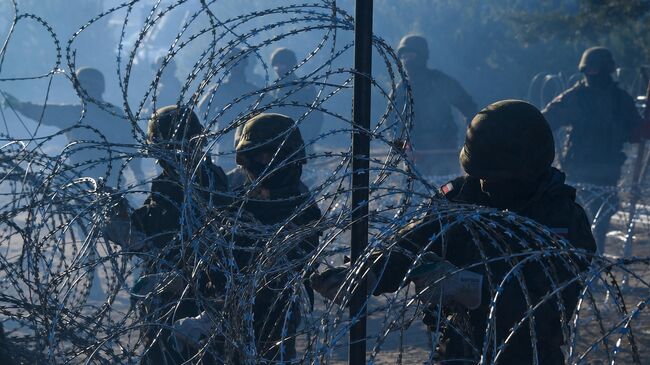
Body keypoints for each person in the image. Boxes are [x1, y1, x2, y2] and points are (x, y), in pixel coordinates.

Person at [312, 100, 596, 364]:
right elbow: (415, 241)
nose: (487, 183)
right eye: (481, 173)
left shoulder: (561, 219)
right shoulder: (461, 195)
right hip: (457, 347)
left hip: (527, 353)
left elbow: (549, 301)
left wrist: (470, 287)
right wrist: (370, 272)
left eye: (496, 175)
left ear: (529, 169)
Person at [173, 113, 322, 363]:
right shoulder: (240, 199)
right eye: (257, 156)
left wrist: (214, 319)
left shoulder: (297, 206)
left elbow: (271, 274)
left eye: (270, 154)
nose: (263, 162)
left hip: (269, 321)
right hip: (230, 323)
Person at [102, 105, 229, 364]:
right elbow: (156, 224)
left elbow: (178, 238)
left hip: (192, 307)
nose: (168, 158)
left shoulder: (202, 184)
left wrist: (131, 232)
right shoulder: (174, 182)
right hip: (172, 304)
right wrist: (125, 219)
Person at [542, 47, 645, 254]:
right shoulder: (576, 97)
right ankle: (579, 260)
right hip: (579, 170)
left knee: (599, 221)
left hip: (606, 170)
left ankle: (591, 260)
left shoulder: (619, 99)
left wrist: (644, 127)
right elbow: (545, 122)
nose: (593, 75)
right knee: (578, 220)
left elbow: (636, 133)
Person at [3, 67, 145, 186]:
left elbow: (45, 113)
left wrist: (21, 106)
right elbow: (130, 143)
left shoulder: (75, 113)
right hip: (107, 175)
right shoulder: (113, 112)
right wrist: (138, 171)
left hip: (87, 176)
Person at [393, 35, 477, 176]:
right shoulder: (400, 90)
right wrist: (404, 149)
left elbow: (469, 107)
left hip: (445, 152)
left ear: (422, 56)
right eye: (404, 57)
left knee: (448, 194)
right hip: (416, 158)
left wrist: (471, 136)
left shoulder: (441, 82)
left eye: (411, 56)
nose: (407, 60)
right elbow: (392, 126)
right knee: (414, 196)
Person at [198, 48, 260, 171]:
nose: (237, 67)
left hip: (247, 142)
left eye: (239, 63)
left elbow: (202, 111)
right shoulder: (220, 90)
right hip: (228, 144)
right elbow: (203, 111)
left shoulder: (253, 90)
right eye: (234, 63)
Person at [267, 47, 323, 154]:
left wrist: (306, 138)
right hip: (276, 145)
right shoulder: (273, 90)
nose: (278, 68)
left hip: (299, 141)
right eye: (276, 65)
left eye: (282, 64)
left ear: (291, 65)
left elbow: (316, 117)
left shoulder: (304, 88)